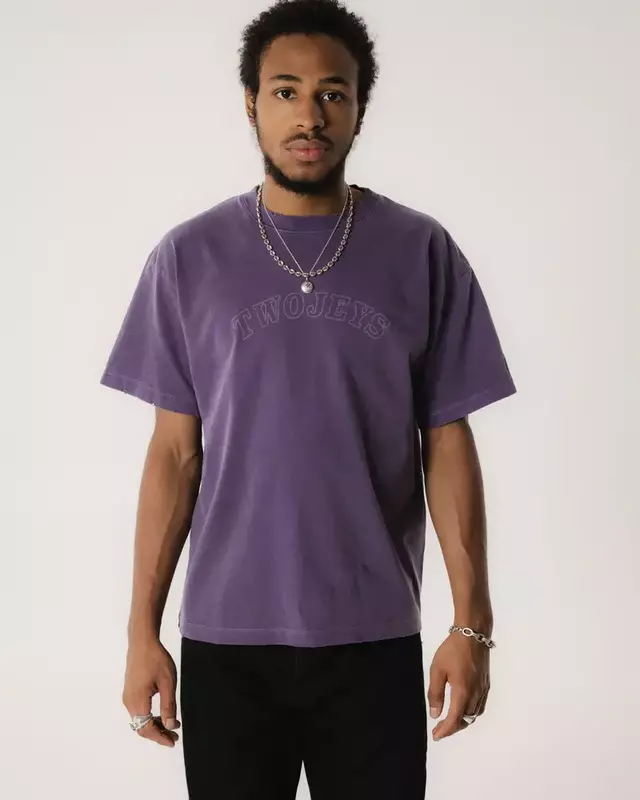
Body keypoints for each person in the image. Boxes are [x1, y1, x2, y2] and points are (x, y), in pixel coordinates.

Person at [100, 1, 517, 797]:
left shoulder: (421, 251)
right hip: (227, 642)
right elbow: (174, 455)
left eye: (333, 93)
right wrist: (140, 635)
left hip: (374, 637)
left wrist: (473, 626)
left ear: (360, 107)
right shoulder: (188, 258)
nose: (309, 116)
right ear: (250, 103)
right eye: (285, 91)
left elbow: (448, 443)